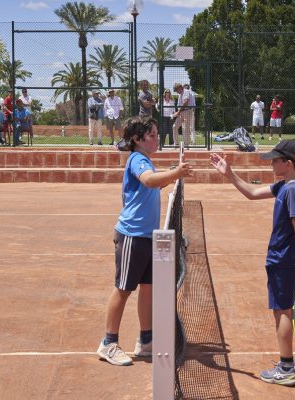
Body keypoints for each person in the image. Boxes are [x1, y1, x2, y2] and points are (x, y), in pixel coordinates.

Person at [210, 139, 295, 386]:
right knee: (291, 303)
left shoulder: (292, 190)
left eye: (275, 160)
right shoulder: (287, 185)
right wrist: (230, 174)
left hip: (284, 258)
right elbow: (253, 193)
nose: (271, 164)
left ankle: (287, 367)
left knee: (283, 310)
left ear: (287, 164)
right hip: (289, 257)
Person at [97, 116, 192, 367]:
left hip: (148, 236)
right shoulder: (137, 160)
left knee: (148, 288)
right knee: (124, 289)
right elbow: (149, 180)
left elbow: (153, 185)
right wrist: (176, 172)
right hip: (132, 235)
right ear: (137, 140)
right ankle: (108, 343)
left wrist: (172, 177)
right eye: (151, 135)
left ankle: (146, 340)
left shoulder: (145, 160)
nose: (156, 138)